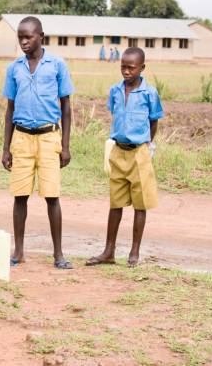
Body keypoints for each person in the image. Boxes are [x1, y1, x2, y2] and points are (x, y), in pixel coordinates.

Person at [1, 16, 74, 270]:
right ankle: (19, 251)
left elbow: (66, 107)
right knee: (20, 196)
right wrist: (5, 148)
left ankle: (58, 254)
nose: (23, 41)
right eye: (20, 37)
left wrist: (65, 145)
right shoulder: (15, 68)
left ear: (41, 36)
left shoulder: (57, 65)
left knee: (51, 196)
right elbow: (9, 110)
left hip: (48, 137)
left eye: (28, 37)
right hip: (21, 138)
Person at [86, 47, 163, 268]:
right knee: (115, 203)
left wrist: (147, 143)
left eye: (131, 68)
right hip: (118, 151)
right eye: (123, 67)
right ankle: (108, 251)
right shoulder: (115, 90)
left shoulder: (150, 93)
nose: (126, 71)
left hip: (139, 152)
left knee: (140, 204)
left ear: (142, 68)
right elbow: (116, 114)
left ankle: (134, 252)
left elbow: (154, 120)